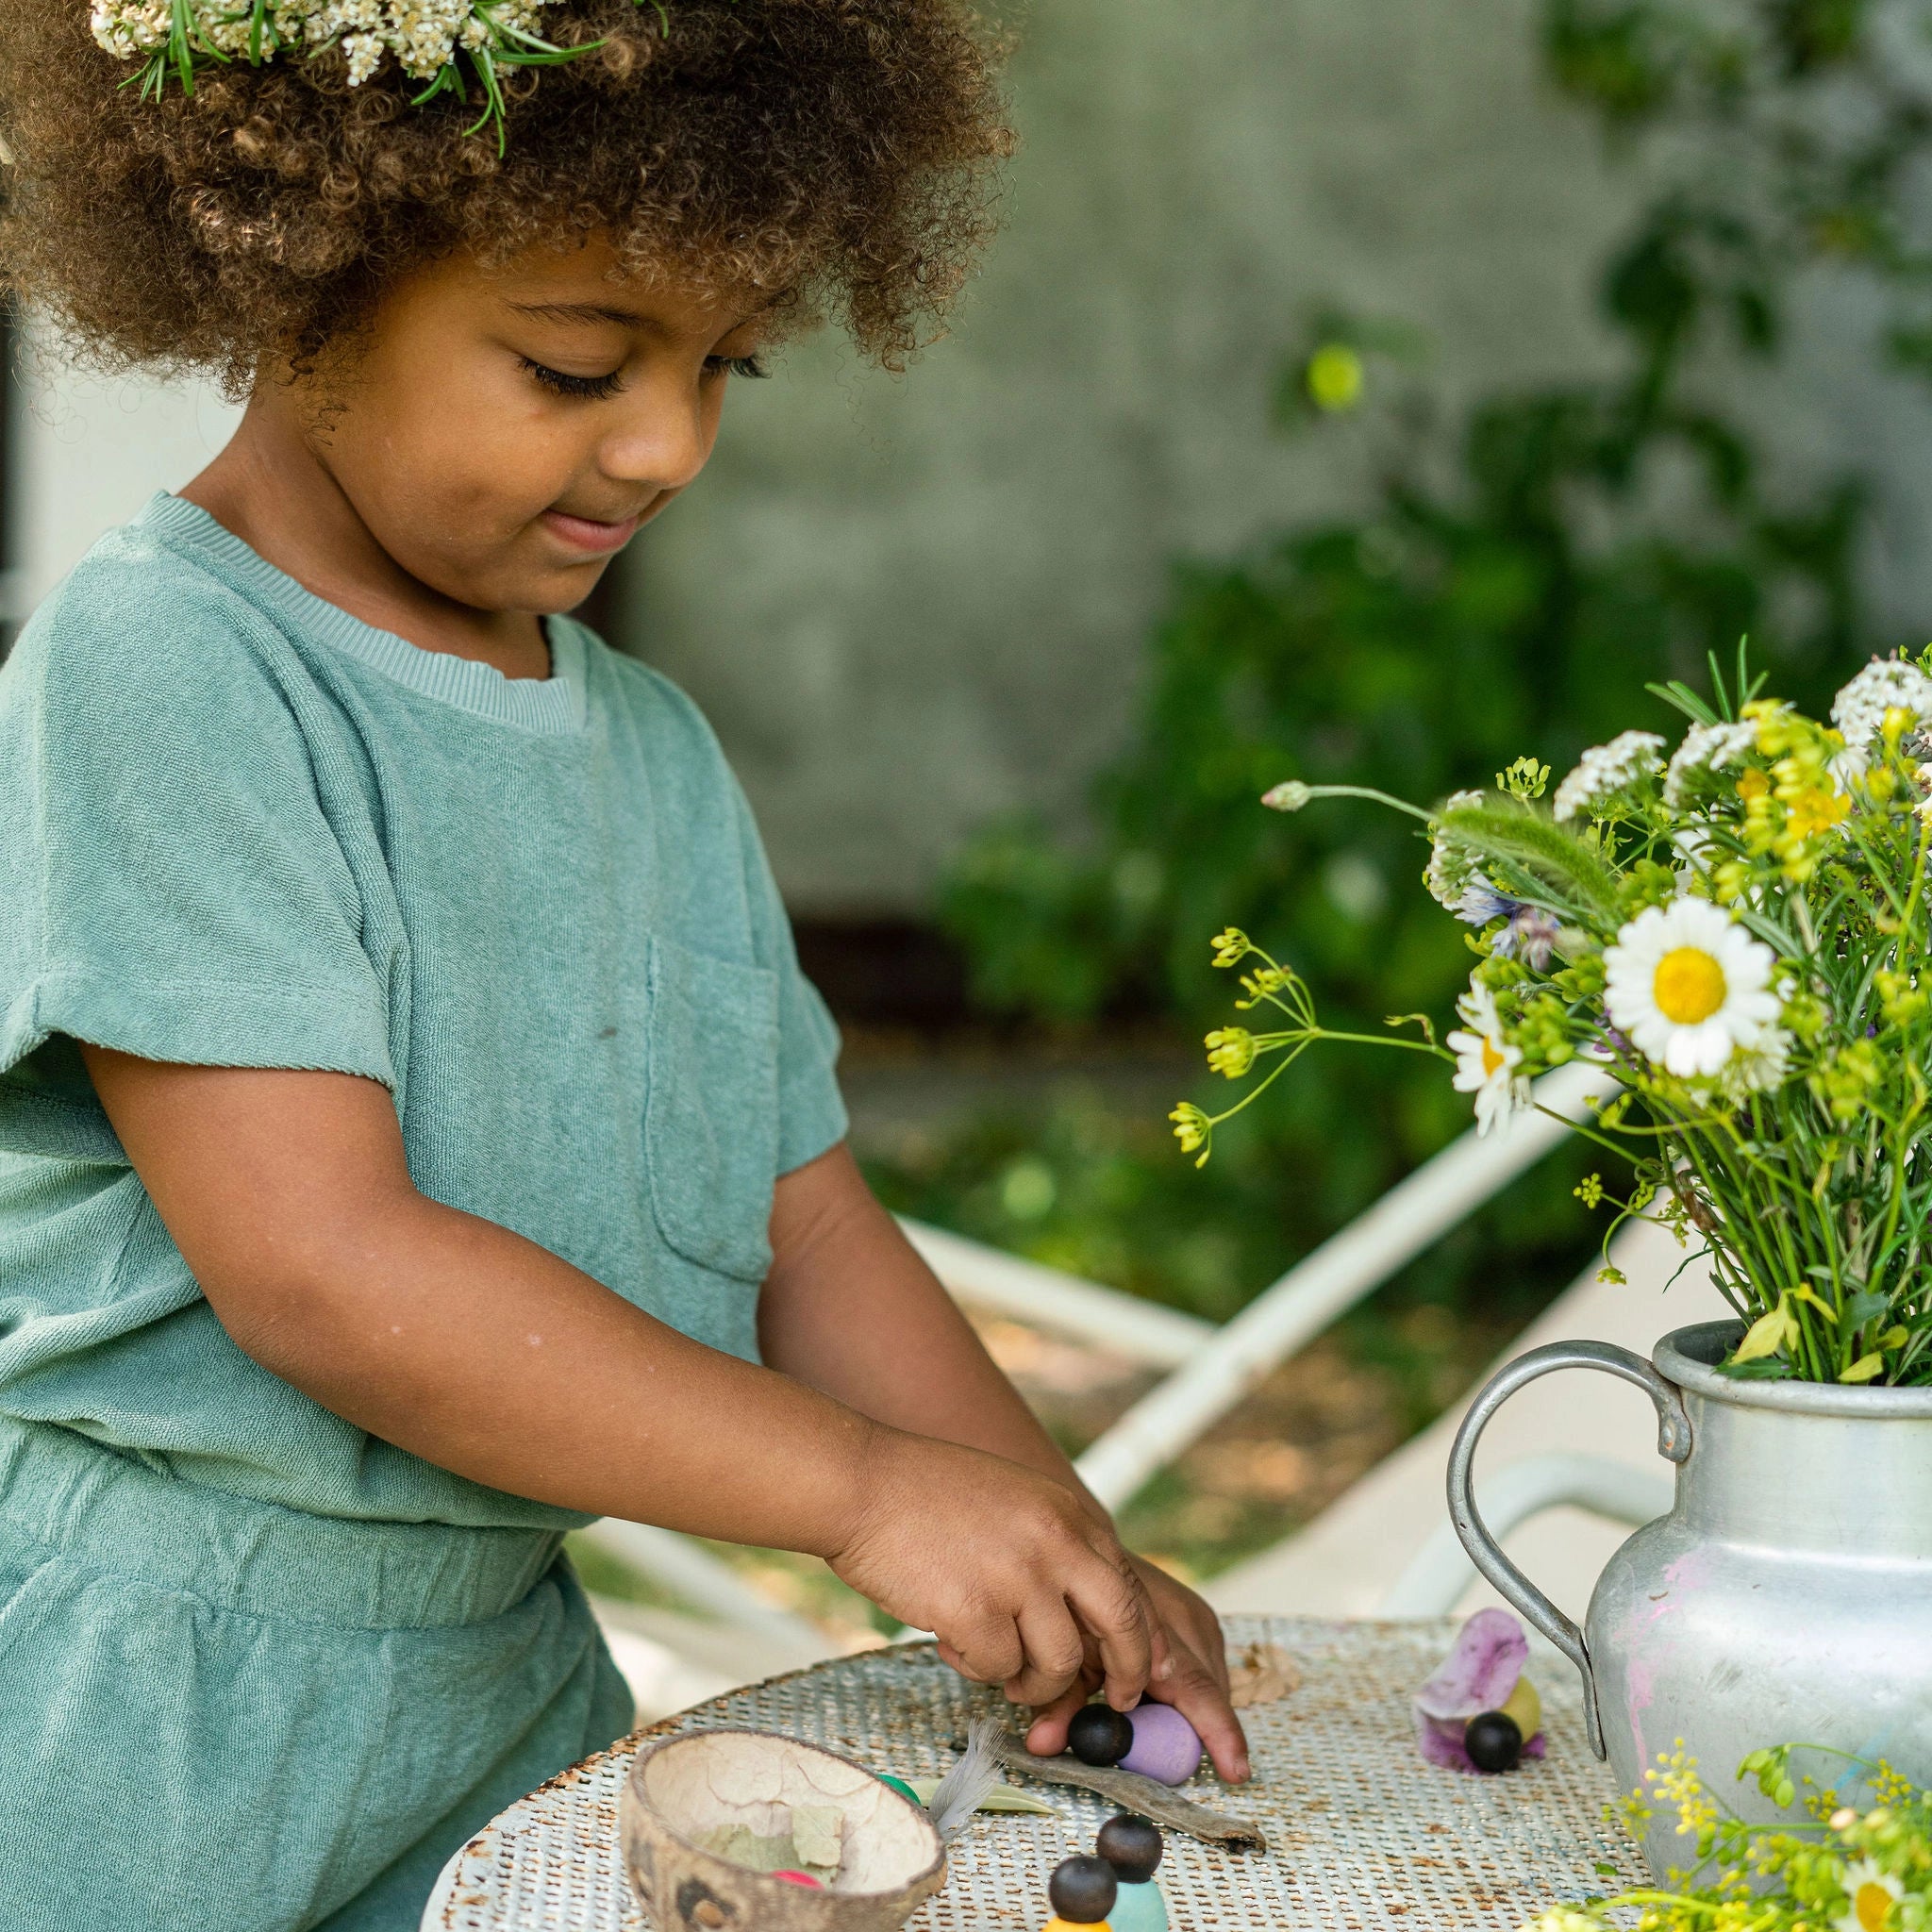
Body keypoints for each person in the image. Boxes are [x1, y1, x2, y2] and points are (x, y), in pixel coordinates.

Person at [0, 2, 1247, 1924]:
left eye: (723, 363)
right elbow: (323, 1272)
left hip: (516, 1701)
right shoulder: (167, 669)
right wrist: (857, 1493)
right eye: (575, 365)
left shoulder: (647, 746)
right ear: (304, 276)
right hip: (159, 1720)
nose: (668, 443)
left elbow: (805, 1227)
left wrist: (1045, 1539)